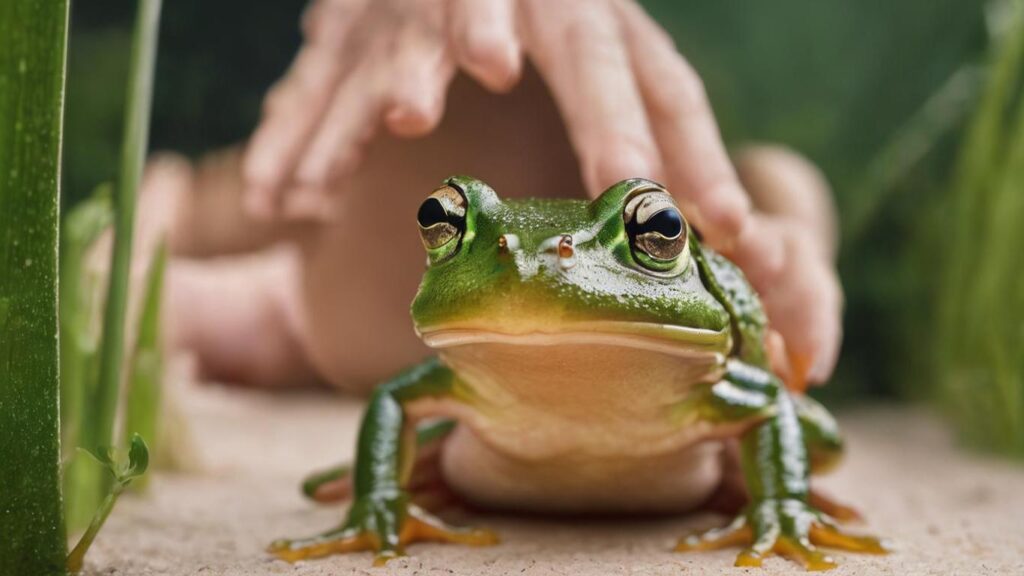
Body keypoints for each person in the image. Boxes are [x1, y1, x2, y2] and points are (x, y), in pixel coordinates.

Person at [144, 0, 842, 393]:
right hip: (345, 183)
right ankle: (235, 278)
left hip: (693, 167)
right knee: (253, 218)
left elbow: (775, 187)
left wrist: (787, 230)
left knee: (767, 189)